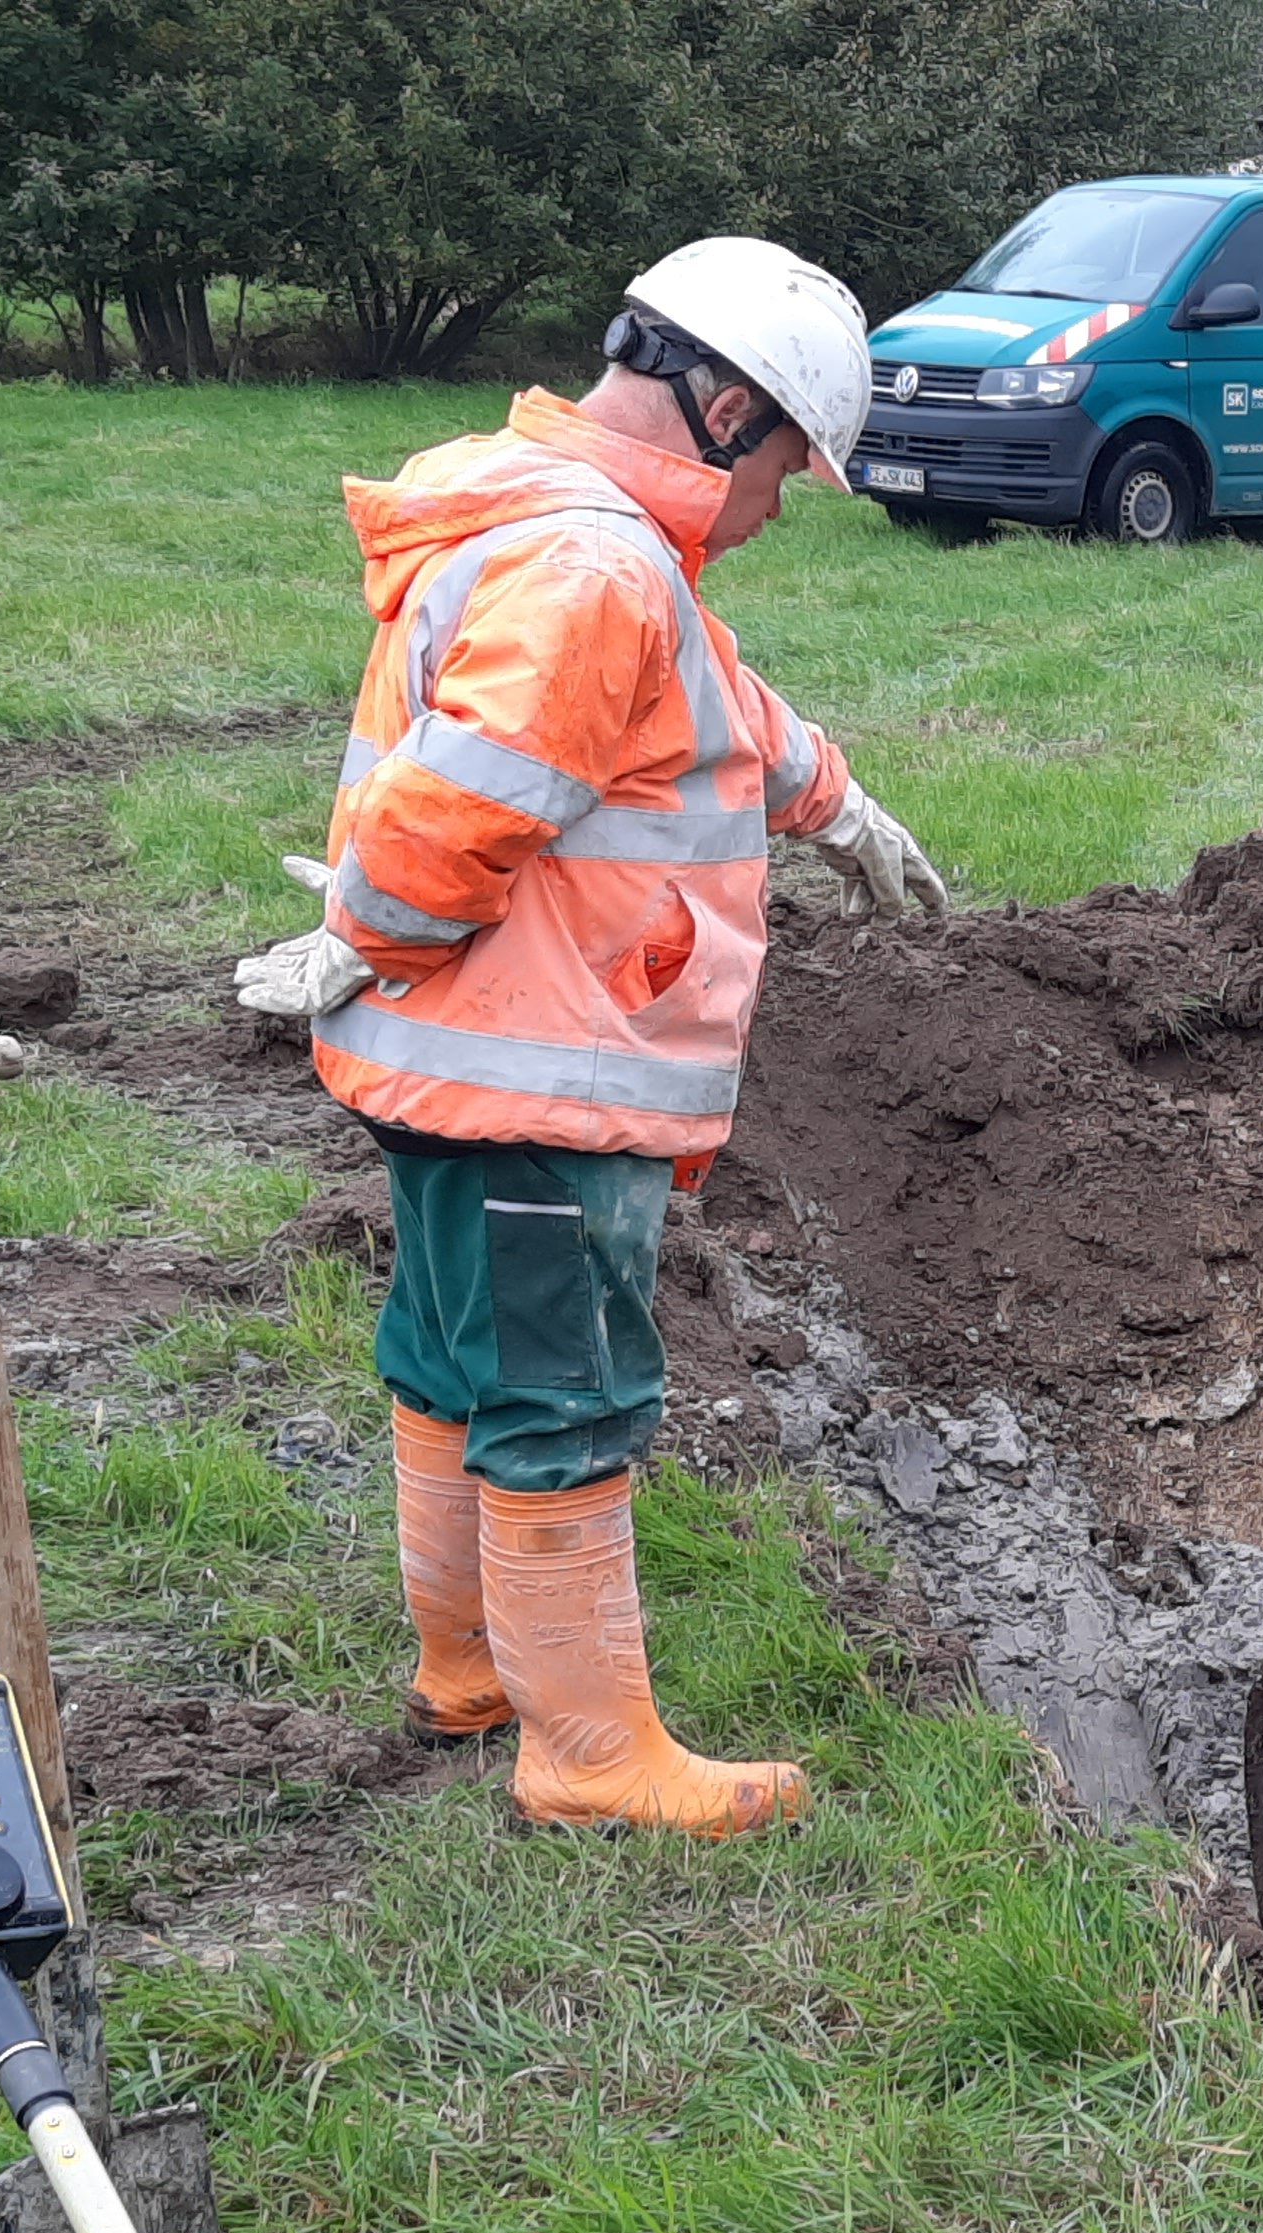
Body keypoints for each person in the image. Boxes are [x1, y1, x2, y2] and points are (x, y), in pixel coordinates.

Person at [232, 237, 945, 1837]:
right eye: (788, 467)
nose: (781, 506)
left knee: (449, 1355)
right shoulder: (599, 569)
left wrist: (840, 805)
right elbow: (469, 800)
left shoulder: (584, 543)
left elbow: (710, 710)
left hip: (466, 1063)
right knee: (568, 1392)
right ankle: (587, 1751)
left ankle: (468, 1669)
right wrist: (357, 935)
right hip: (549, 1077)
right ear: (725, 408)